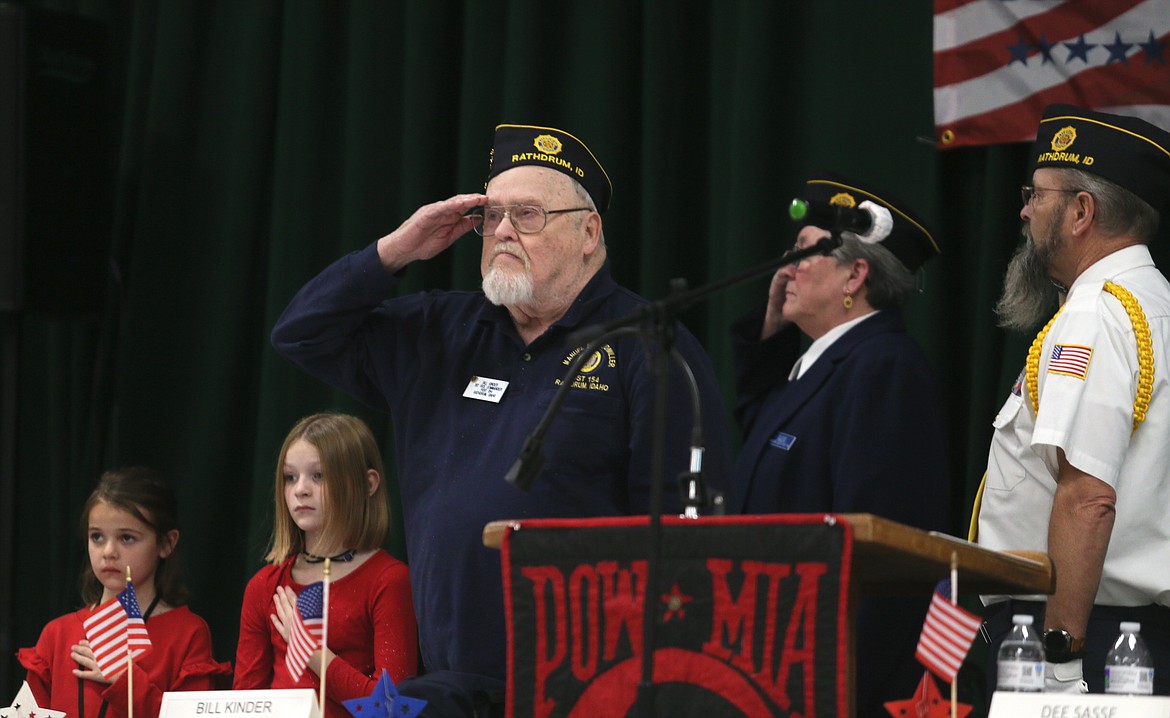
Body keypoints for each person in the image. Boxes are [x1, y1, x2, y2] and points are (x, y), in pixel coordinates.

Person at [270, 123, 732, 711]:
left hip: (590, 685)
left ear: (589, 232)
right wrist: (396, 251)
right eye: (492, 216)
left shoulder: (648, 345)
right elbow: (300, 334)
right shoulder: (440, 331)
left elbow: (689, 538)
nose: (504, 230)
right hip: (450, 683)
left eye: (529, 215)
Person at [727, 172, 950, 715]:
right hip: (777, 666)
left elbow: (878, 553)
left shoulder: (883, 369)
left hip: (832, 680)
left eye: (805, 252)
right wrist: (771, 337)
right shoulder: (816, 364)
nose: (785, 268)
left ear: (856, 274)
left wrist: (835, 689)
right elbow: (764, 441)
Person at [975, 104, 1170, 695]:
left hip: (1077, 638)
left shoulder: (1097, 311)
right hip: (1133, 638)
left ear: (1081, 211)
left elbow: (1087, 497)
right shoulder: (1155, 302)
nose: (1024, 210)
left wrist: (1060, 664)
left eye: (1037, 195)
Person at [234, 412, 418, 717]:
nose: (300, 489)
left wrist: (309, 649)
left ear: (368, 483)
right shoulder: (266, 585)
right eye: (290, 477)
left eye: (318, 475)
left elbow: (391, 708)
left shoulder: (389, 580)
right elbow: (244, 705)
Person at [17, 467, 230, 716]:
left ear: (167, 543)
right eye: (97, 537)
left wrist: (126, 681)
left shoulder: (188, 633)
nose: (108, 552)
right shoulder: (57, 634)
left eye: (127, 538)